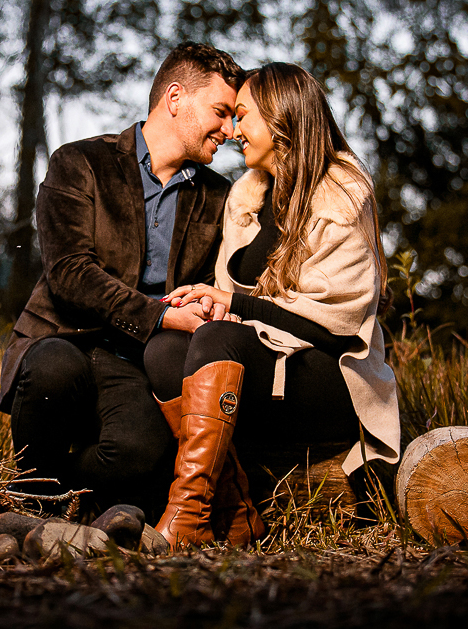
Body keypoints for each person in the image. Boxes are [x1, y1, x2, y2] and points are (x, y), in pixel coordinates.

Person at [145, 62, 402, 548]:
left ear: (280, 117)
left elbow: (337, 328)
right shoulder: (246, 197)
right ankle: (236, 515)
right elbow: (237, 305)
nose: (233, 130)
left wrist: (234, 306)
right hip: (263, 361)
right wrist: (209, 303)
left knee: (218, 339)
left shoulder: (342, 194)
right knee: (164, 349)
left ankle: (187, 514)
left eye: (242, 116)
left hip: (333, 377)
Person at [0, 42, 245, 514]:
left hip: (135, 361)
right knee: (52, 369)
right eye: (221, 112)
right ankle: (31, 510)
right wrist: (161, 317)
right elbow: (69, 273)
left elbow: (208, 282)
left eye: (234, 117)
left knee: (140, 455)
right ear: (175, 98)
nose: (230, 130)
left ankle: (40, 493)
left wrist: (208, 304)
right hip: (62, 338)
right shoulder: (80, 163)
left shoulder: (218, 196)